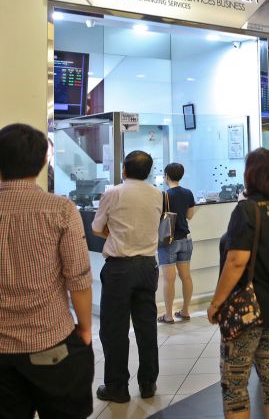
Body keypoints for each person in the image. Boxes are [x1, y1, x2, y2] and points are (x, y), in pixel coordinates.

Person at [0, 124, 94, 418]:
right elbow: (78, 278)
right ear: (43, 162)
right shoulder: (61, 209)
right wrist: (86, 327)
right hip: (50, 340)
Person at [208, 148, 269, 419]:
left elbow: (236, 261)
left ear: (251, 175)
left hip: (247, 311)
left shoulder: (246, 210)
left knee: (234, 381)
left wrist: (215, 303)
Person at [92, 150, 163, 403]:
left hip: (120, 267)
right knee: (146, 327)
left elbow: (97, 228)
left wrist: (117, 235)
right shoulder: (158, 194)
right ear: (149, 171)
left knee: (114, 329)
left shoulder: (113, 193)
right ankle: (148, 383)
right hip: (147, 266)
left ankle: (117, 386)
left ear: (124, 169)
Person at [157, 162, 196, 324]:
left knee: (169, 279)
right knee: (186, 276)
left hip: (169, 241)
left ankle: (168, 315)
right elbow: (190, 215)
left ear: (166, 176)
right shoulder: (188, 193)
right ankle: (185, 311)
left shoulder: (164, 195)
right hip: (185, 239)